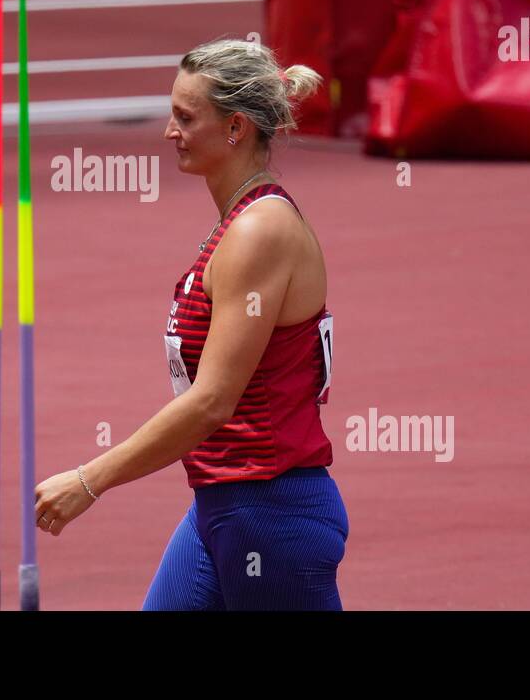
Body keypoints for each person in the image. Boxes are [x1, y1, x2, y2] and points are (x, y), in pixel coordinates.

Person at [34, 38, 348, 610]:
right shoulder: (235, 226)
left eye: (184, 117)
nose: (169, 131)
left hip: (270, 513)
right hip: (219, 504)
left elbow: (212, 403)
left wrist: (89, 481)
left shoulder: (260, 233)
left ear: (234, 129)